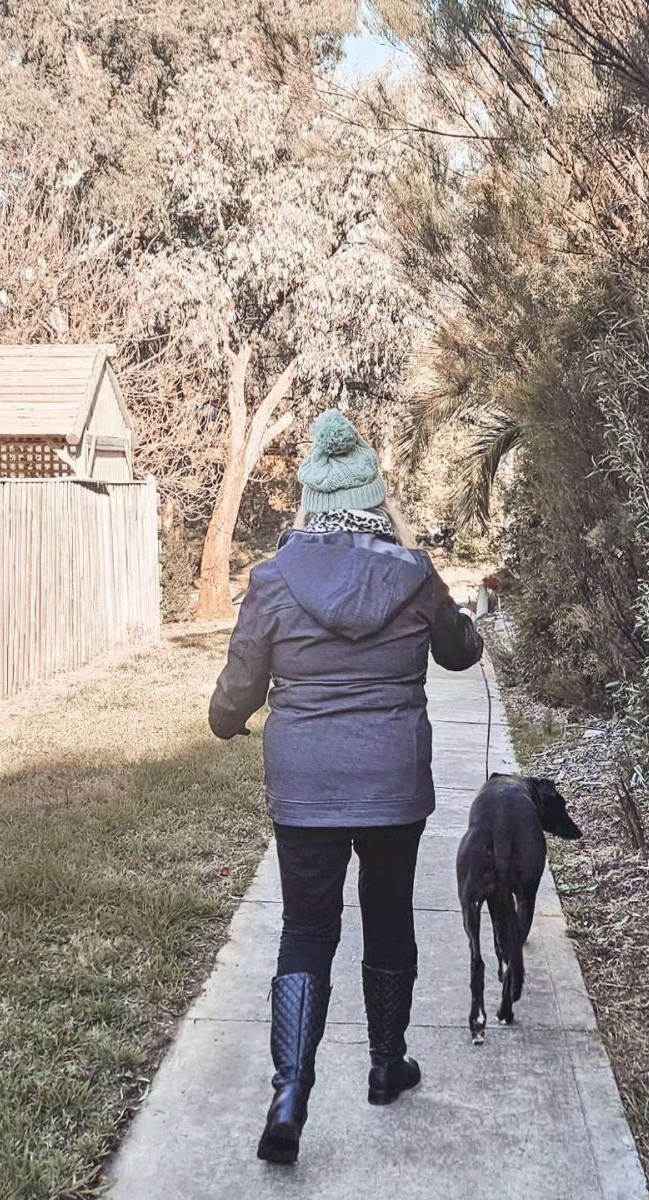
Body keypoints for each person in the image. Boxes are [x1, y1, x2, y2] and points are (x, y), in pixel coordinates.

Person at [208, 408, 483, 1164]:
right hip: (392, 779)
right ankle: (386, 1067)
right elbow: (461, 654)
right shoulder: (415, 573)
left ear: (309, 500)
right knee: (389, 919)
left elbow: (239, 689)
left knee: (306, 930)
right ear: (373, 494)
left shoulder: (271, 580)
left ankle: (291, 1093)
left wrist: (225, 722)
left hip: (306, 783)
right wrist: (457, 607)